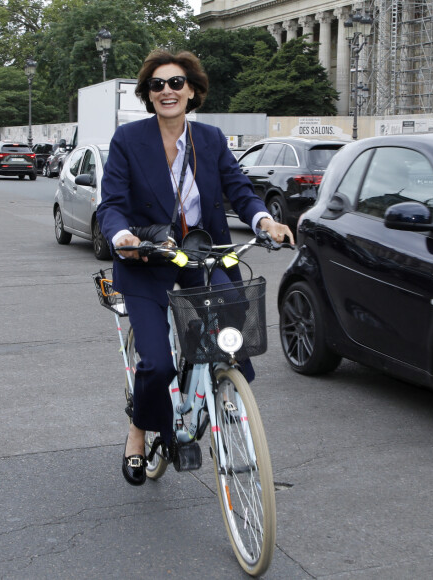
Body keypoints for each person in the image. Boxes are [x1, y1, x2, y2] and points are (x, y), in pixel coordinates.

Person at [97, 49, 294, 486]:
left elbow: (240, 190)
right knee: (158, 365)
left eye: (176, 83)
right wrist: (122, 238)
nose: (167, 91)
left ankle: (225, 391)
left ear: (193, 91)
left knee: (233, 336)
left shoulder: (211, 140)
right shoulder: (129, 140)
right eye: (157, 84)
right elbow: (111, 204)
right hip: (148, 261)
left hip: (201, 257)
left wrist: (264, 220)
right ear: (148, 95)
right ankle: (139, 426)